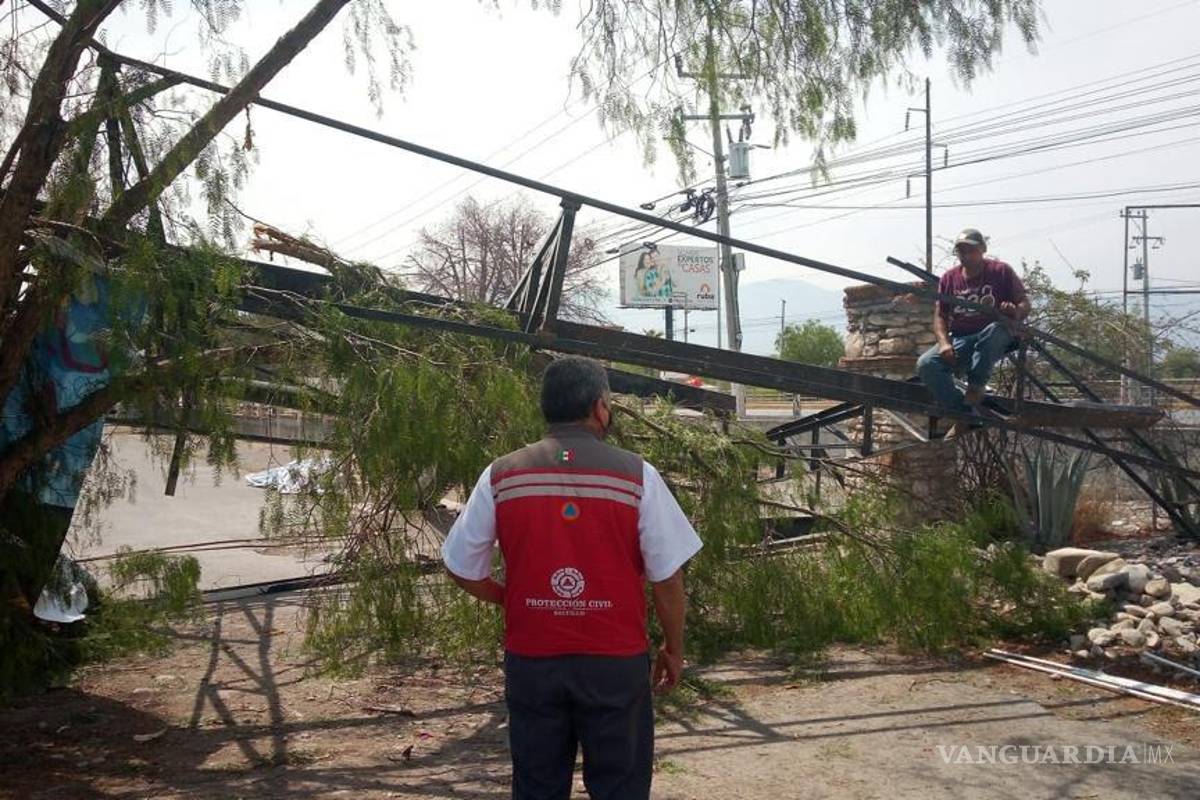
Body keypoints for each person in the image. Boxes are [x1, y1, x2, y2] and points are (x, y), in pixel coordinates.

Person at [441, 356, 702, 800]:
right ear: (601, 407)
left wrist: (513, 598)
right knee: (620, 785)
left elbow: (461, 566)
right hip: (615, 664)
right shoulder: (638, 475)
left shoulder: (501, 474)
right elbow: (668, 578)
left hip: (533, 661)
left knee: (538, 785)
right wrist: (673, 649)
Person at [916, 228, 1030, 433]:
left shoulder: (1001, 271)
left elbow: (1024, 303)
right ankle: (964, 413)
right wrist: (943, 343)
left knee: (993, 331)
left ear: (983, 250)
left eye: (971, 250)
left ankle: (976, 387)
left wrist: (1015, 312)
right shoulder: (949, 278)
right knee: (927, 363)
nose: (966, 255)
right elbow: (941, 315)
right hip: (962, 337)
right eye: (961, 251)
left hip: (996, 332)